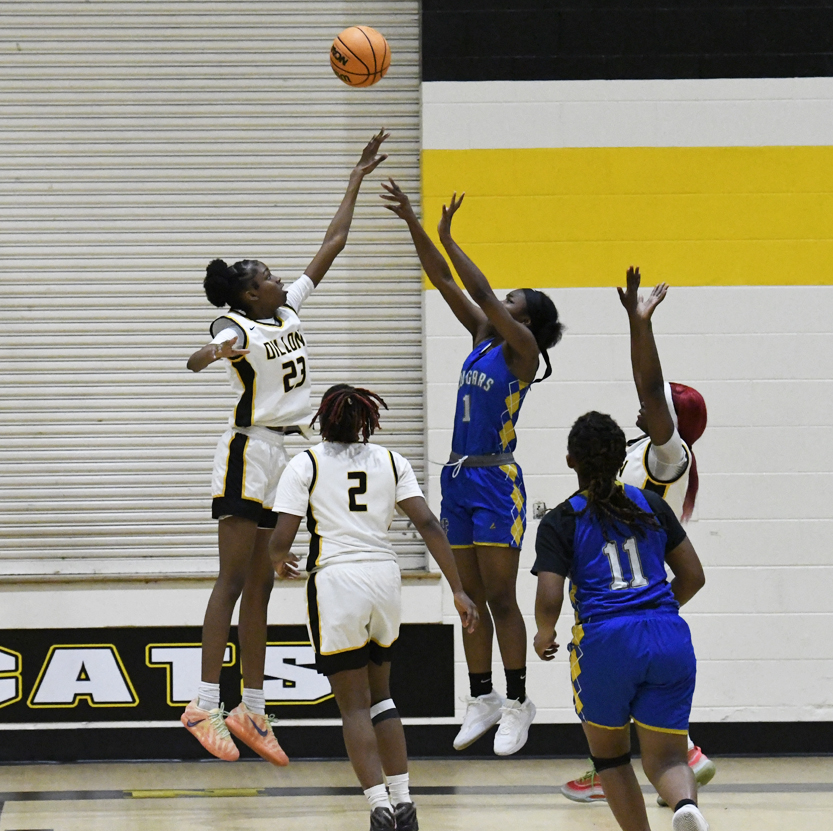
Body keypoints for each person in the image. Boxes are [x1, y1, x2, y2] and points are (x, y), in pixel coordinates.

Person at [180, 131, 389, 765]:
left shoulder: (288, 312)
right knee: (232, 579)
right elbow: (201, 356)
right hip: (249, 453)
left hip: (290, 456)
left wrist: (355, 178)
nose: (279, 279)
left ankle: (252, 707)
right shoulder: (236, 325)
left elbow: (334, 243)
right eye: (268, 276)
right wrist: (214, 351)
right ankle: (202, 703)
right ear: (250, 294)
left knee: (265, 583)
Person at [381, 181, 563, 755]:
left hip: (496, 481)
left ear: (527, 319)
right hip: (458, 478)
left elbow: (478, 289)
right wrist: (414, 224)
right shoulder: (484, 336)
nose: (500, 302)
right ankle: (482, 696)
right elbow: (443, 280)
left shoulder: (523, 350)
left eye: (512, 301)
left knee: (502, 597)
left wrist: (449, 235)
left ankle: (518, 701)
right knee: (468, 595)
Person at [268, 384, 479, 831]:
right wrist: (458, 590)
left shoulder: (306, 463)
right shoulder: (392, 460)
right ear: (366, 420)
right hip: (385, 579)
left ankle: (379, 807)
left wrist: (277, 559)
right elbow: (428, 523)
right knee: (382, 696)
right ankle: (404, 802)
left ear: (323, 420)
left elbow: (281, 539)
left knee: (354, 707)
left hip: (337, 581)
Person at [560, 267, 713, 804]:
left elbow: (648, 385)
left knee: (610, 694)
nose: (648, 403)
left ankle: (664, 762)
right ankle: (679, 762)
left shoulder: (668, 456)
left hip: (623, 602)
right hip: (629, 599)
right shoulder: (640, 456)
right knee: (626, 698)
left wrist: (640, 324)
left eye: (662, 404)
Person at [533, 410, 710, 831]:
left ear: (571, 460)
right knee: (668, 758)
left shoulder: (563, 519)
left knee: (611, 759)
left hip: (606, 641)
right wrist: (657, 613)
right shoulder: (651, 504)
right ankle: (685, 807)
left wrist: (544, 632)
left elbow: (550, 592)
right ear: (620, 459)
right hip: (667, 636)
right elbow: (693, 576)